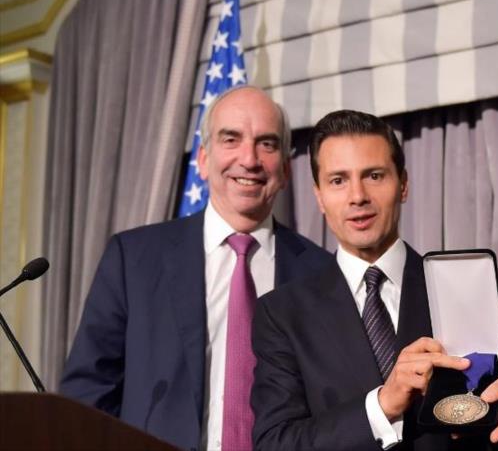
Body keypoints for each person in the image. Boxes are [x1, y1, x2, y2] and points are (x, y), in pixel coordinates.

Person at [250, 109, 498, 450]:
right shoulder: (282, 314)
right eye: (338, 180)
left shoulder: (471, 284)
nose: (357, 196)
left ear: (403, 184)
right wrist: (381, 406)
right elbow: (274, 443)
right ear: (319, 196)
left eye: (374, 176)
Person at [60, 86, 332, 451]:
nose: (249, 159)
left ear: (284, 169)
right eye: (231, 139)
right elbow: (87, 395)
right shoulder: (133, 258)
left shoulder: (321, 273)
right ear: (203, 160)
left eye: (266, 144)